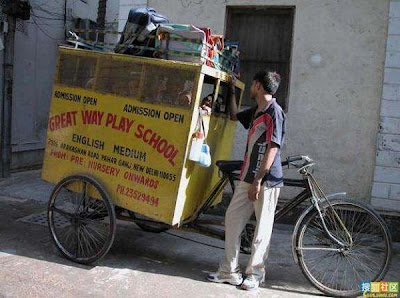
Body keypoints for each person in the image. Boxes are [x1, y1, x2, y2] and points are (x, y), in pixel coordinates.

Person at [207, 70, 286, 291]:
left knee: (262, 230)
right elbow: (234, 115)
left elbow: (273, 147)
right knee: (232, 219)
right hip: (247, 177)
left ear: (259, 86)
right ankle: (229, 272)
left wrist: (259, 180)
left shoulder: (274, 112)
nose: (250, 88)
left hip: (266, 181)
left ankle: (255, 274)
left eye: (252, 85)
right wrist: (231, 90)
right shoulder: (257, 111)